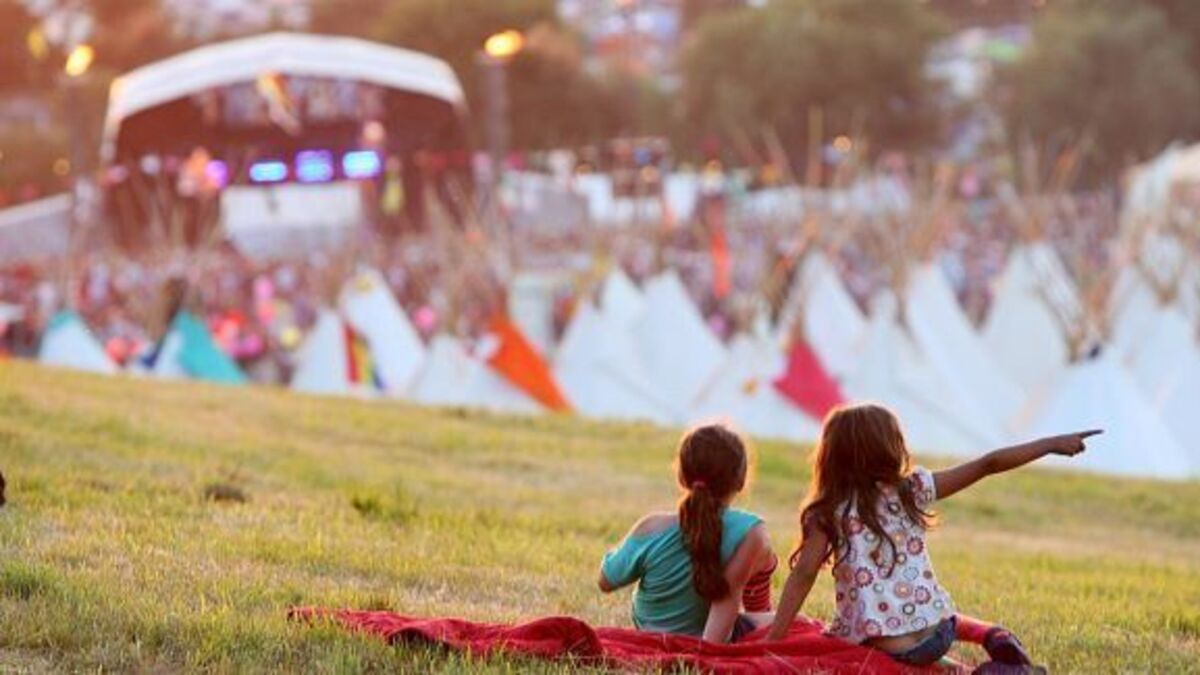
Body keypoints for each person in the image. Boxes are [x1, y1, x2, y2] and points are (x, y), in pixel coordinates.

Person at [766, 403, 1100, 669]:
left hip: (894, 645)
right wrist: (1050, 444)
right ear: (891, 447)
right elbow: (989, 463)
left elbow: (804, 574)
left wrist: (775, 639)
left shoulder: (827, 512)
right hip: (942, 631)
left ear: (831, 455)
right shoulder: (912, 490)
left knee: (863, 647)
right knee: (915, 641)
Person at [599, 425, 777, 643]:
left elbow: (605, 581)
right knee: (798, 622)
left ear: (682, 476)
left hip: (651, 634)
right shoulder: (750, 531)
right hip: (710, 637)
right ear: (740, 481)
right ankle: (761, 614)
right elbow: (727, 602)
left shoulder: (651, 528)